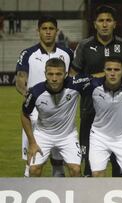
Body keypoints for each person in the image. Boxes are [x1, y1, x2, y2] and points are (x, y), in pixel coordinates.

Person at [71, 5, 122, 177]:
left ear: (115, 24)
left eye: (108, 20)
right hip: (90, 112)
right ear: (95, 24)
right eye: (101, 21)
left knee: (119, 167)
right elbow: (73, 78)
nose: (105, 24)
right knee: (90, 164)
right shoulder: (84, 46)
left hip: (119, 112)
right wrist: (97, 77)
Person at [15, 15, 73, 177]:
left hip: (61, 117)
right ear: (38, 31)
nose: (48, 32)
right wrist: (27, 94)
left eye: (51, 29)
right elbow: (20, 78)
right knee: (32, 162)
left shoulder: (67, 53)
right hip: (34, 115)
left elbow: (73, 78)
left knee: (58, 164)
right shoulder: (27, 54)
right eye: (44, 29)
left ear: (57, 31)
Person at [21, 58, 83, 177]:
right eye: (50, 74)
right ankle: (34, 194)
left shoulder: (75, 85)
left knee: (75, 170)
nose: (54, 78)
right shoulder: (35, 92)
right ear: (45, 74)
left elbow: (97, 80)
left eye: (58, 74)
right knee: (33, 170)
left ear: (65, 74)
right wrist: (32, 143)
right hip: (43, 135)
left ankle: (75, 195)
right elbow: (24, 114)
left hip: (68, 136)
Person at [86, 57, 122, 177]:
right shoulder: (93, 86)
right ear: (104, 71)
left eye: (117, 70)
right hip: (99, 137)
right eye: (109, 69)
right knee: (97, 175)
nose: (112, 73)